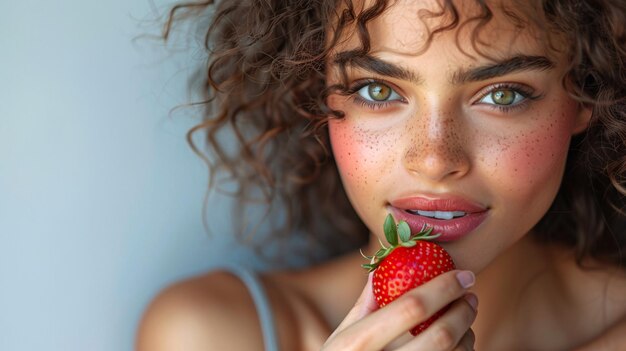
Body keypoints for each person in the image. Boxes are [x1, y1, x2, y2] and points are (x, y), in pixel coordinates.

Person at [136, 0, 626, 350]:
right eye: (376, 90)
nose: (434, 160)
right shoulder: (208, 334)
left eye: (502, 95)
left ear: (586, 93)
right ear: (318, 90)